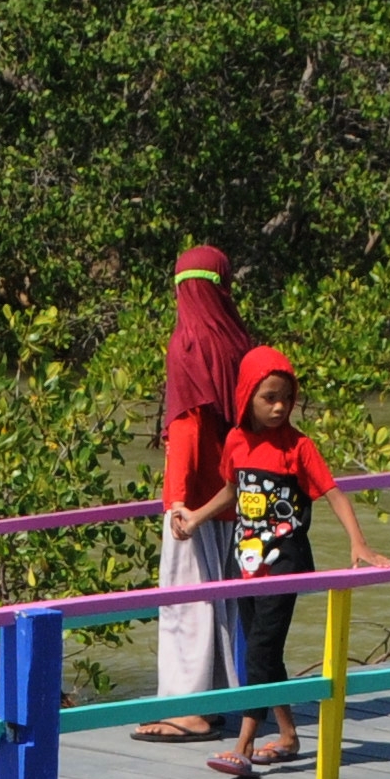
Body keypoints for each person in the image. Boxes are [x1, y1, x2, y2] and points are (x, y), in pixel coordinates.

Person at [186, 345, 387, 779]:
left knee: (258, 649)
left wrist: (359, 543)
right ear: (247, 399)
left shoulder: (299, 447)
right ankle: (290, 736)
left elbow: (332, 492)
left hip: (285, 561)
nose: (279, 407)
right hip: (244, 561)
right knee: (265, 652)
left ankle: (244, 746)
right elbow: (231, 490)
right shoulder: (237, 441)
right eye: (269, 398)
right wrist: (197, 516)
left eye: (286, 399)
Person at [133, 243, 260, 742]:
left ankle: (186, 711)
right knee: (224, 601)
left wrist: (178, 504)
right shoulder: (238, 344)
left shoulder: (187, 343)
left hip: (194, 501)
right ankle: (220, 696)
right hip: (232, 500)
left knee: (185, 603)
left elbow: (186, 427)